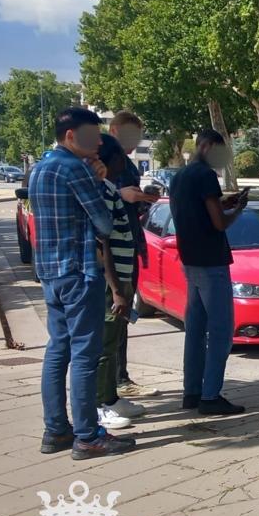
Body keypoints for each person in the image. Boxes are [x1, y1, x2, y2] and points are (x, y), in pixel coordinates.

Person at [29, 108, 135, 459]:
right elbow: (105, 225)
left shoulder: (41, 167)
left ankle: (56, 429)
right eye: (92, 135)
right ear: (71, 136)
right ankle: (88, 436)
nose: (99, 141)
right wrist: (100, 181)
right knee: (85, 356)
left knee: (57, 350)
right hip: (80, 271)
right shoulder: (76, 170)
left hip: (50, 273)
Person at [169, 129, 249, 415]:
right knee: (220, 332)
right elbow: (218, 223)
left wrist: (222, 203)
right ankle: (210, 395)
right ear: (205, 146)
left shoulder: (179, 176)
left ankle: (192, 391)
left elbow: (199, 212)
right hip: (211, 261)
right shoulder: (205, 176)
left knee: (195, 330)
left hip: (189, 258)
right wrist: (237, 209)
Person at [94, 134, 147, 431]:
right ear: (111, 161)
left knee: (113, 341)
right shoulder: (100, 190)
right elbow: (103, 244)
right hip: (111, 281)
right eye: (121, 160)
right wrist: (115, 288)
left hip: (122, 276)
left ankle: (112, 398)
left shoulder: (110, 188)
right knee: (104, 344)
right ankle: (101, 405)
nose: (124, 165)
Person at [108, 111, 160, 397]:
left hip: (128, 245)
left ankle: (119, 379)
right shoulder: (103, 160)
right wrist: (121, 195)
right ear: (114, 130)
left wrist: (143, 200)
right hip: (110, 251)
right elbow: (99, 202)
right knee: (113, 314)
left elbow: (130, 209)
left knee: (122, 315)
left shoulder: (126, 164)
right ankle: (110, 389)